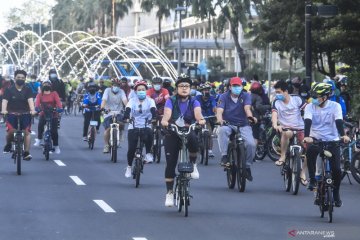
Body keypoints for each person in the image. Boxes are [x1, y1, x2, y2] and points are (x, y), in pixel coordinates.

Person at [161, 74, 206, 207]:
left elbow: (198, 113)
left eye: (187, 86)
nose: (184, 88)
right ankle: (169, 192)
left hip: (188, 129)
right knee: (170, 163)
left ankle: (193, 165)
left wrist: (201, 120)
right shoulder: (171, 100)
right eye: (181, 86)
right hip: (173, 130)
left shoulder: (194, 101)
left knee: (193, 139)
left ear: (190, 88)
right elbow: (167, 114)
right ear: (177, 88)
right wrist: (164, 121)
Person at [304, 82, 350, 207]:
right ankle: (313, 179)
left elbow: (339, 121)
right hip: (315, 139)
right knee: (310, 152)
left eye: (316, 96)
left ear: (325, 97)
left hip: (332, 140)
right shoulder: (309, 107)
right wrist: (307, 137)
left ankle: (336, 193)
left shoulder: (335, 106)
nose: (313, 99)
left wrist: (343, 136)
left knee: (336, 170)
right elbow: (307, 122)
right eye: (313, 96)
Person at [216, 77, 257, 181]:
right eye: (234, 86)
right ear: (230, 87)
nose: (236, 88)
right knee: (222, 130)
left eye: (238, 86)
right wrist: (220, 120)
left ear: (242, 86)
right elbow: (219, 111)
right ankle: (225, 156)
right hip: (228, 124)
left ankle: (247, 167)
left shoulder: (246, 95)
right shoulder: (223, 96)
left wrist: (250, 117)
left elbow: (247, 108)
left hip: (243, 124)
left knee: (251, 144)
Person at [271, 80, 308, 184]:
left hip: (300, 128)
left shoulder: (297, 99)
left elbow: (308, 111)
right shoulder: (276, 102)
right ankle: (282, 156)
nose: (277, 94)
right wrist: (275, 125)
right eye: (276, 92)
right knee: (286, 133)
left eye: (279, 92)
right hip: (286, 128)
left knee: (310, 148)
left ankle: (303, 173)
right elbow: (274, 115)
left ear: (286, 91)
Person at [123, 81, 157, 177]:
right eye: (139, 90)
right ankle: (129, 167)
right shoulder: (132, 100)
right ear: (136, 91)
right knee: (131, 149)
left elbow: (153, 109)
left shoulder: (150, 100)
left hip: (146, 124)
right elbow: (128, 109)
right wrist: (126, 116)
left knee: (149, 133)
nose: (141, 91)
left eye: (143, 90)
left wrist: (154, 117)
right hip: (133, 125)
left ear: (146, 91)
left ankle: (148, 154)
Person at [2, 70, 36, 160]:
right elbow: (4, 101)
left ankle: (26, 153)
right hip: (11, 113)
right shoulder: (9, 90)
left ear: (25, 79)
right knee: (10, 131)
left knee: (27, 132)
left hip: (25, 113)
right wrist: (4, 110)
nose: (20, 79)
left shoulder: (28, 90)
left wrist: (32, 110)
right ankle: (8, 144)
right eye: (18, 77)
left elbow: (30, 101)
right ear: (15, 78)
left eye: (22, 78)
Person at [34, 80, 63, 154]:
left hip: (53, 113)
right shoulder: (40, 95)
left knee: (54, 131)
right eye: (45, 84)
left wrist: (60, 108)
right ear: (42, 86)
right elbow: (37, 103)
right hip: (43, 113)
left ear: (51, 86)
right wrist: (37, 108)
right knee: (40, 125)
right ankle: (39, 139)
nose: (46, 86)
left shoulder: (54, 93)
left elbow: (58, 103)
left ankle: (56, 146)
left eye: (48, 84)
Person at [100, 78, 128, 153]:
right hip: (108, 112)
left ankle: (120, 132)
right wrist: (102, 108)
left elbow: (125, 100)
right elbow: (104, 100)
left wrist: (128, 108)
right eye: (115, 85)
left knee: (122, 123)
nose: (116, 87)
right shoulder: (107, 90)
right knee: (108, 129)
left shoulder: (121, 91)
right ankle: (106, 145)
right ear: (112, 85)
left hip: (119, 112)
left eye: (118, 85)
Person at [196, 82, 217, 157]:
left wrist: (215, 109)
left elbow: (214, 105)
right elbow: (195, 106)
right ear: (201, 91)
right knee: (195, 130)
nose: (207, 91)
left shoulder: (211, 98)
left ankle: (210, 150)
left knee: (210, 134)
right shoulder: (197, 98)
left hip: (210, 117)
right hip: (200, 116)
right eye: (205, 90)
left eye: (208, 90)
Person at [250, 81, 271, 149]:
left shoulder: (248, 95)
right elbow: (259, 107)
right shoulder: (258, 97)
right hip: (255, 118)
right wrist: (268, 107)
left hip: (246, 118)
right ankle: (253, 154)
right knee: (255, 136)